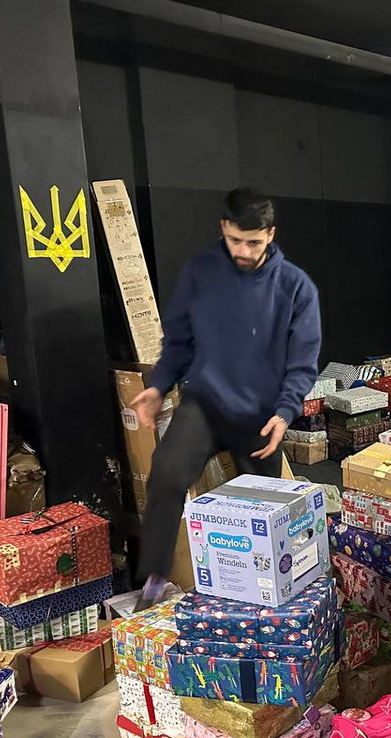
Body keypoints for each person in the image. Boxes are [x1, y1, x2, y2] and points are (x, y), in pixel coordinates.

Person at [129, 187, 322, 611]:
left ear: (270, 235)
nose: (244, 251)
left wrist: (285, 413)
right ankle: (155, 580)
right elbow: (178, 341)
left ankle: (273, 588)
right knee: (166, 473)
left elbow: (303, 363)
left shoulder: (295, 287)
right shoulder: (201, 272)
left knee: (266, 509)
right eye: (236, 240)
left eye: (253, 242)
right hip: (205, 403)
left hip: (260, 413)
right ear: (223, 229)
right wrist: (159, 386)